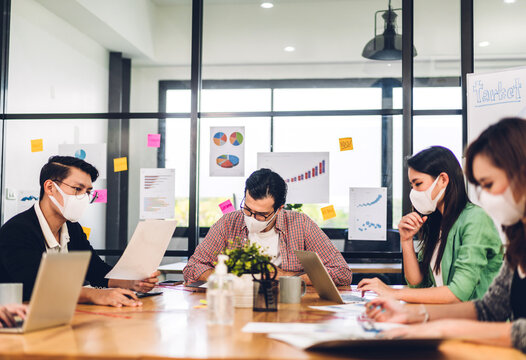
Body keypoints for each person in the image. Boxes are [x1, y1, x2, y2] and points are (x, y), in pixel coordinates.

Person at [365, 118, 526, 353]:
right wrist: (411, 312)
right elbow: (488, 309)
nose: (484, 197)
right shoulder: (518, 241)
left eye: (488, 184)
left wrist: (441, 328)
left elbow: (461, 295)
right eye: (479, 186)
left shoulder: (473, 218)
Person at [0, 156, 160, 307]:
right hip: (17, 322)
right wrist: (94, 295)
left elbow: (95, 270)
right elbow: (36, 286)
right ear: (50, 187)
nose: (83, 197)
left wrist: (130, 282)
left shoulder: (71, 227)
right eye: (77, 189)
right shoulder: (17, 231)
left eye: (88, 192)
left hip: (58, 315)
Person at [357, 146, 503, 303]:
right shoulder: (436, 221)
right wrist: (406, 240)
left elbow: (458, 293)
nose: (413, 192)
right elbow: (418, 284)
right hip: (449, 316)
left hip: (478, 323)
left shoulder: (475, 219)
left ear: (442, 180)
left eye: (418, 184)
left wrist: (393, 292)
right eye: (411, 185)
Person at [183, 168, 352, 286]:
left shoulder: (301, 224)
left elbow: (342, 273)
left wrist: (284, 277)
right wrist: (228, 279)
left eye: (261, 214)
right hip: (238, 304)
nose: (252, 218)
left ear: (279, 209)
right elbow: (193, 268)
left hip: (290, 307)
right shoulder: (228, 223)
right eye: (248, 210)